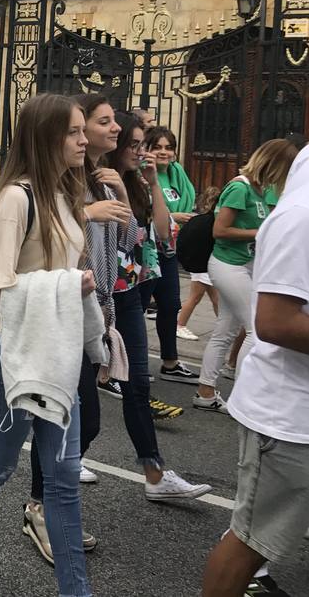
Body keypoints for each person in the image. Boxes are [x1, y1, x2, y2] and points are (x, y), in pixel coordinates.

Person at [0, 93, 93, 597]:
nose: (84, 139)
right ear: (49, 137)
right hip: (9, 353)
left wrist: (75, 288)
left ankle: (76, 590)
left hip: (57, 353)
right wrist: (67, 286)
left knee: (64, 478)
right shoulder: (16, 199)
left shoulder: (67, 194)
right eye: (74, 132)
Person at [200, 143, 309, 597]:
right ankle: (204, 387)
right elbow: (275, 321)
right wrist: (256, 234)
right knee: (252, 544)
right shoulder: (305, 209)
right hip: (296, 418)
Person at [20, 91, 131, 562]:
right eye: (89, 126)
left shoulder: (105, 181)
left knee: (78, 423)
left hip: (96, 312)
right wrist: (89, 211)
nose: (112, 130)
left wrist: (121, 194)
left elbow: (131, 242)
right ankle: (41, 508)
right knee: (68, 422)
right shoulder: (61, 183)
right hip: (61, 311)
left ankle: (46, 505)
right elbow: (44, 232)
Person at [103, 112, 211, 498]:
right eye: (134, 145)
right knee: (81, 386)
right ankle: (59, 468)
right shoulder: (98, 182)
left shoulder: (138, 182)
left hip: (131, 290)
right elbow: (120, 235)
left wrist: (150, 184)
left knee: (137, 382)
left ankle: (154, 473)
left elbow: (164, 234)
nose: (141, 152)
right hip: (98, 294)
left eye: (142, 145)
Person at [195, 138, 299, 414]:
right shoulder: (240, 187)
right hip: (228, 265)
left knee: (225, 331)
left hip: (242, 264)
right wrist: (260, 233)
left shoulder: (260, 189)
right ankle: (244, 398)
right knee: (256, 329)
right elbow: (220, 230)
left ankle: (206, 391)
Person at [140, 126, 199, 382]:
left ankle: (170, 361)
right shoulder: (144, 175)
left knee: (170, 304)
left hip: (169, 250)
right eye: (158, 147)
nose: (164, 152)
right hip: (147, 250)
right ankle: (128, 362)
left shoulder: (178, 174)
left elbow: (186, 200)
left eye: (169, 147)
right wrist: (172, 217)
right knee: (137, 307)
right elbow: (143, 212)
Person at [175, 185, 221, 341]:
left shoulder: (199, 220)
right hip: (203, 265)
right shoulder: (211, 221)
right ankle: (180, 325)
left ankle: (224, 328)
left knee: (214, 298)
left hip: (201, 264)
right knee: (196, 297)